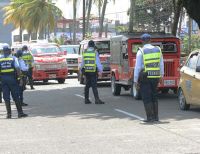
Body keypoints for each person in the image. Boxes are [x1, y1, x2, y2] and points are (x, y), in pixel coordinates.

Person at [134, 33, 164, 122]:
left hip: (145, 76)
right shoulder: (158, 50)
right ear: (151, 40)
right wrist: (161, 76)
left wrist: (135, 80)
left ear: (142, 41)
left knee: (147, 97)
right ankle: (156, 117)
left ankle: (150, 117)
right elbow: (161, 64)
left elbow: (138, 67)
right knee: (154, 95)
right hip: (155, 75)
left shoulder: (141, 51)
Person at [0, 46, 28, 118]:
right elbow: (18, 68)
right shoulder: (13, 58)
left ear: (3, 51)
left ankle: (9, 114)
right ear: (9, 51)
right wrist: (21, 79)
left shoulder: (0, 59)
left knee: (6, 97)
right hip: (12, 79)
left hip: (3, 80)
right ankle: (20, 113)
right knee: (16, 96)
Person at [81, 40, 105, 104]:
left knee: (87, 85)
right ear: (93, 45)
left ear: (88, 45)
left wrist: (81, 70)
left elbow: (82, 62)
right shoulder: (95, 52)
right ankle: (97, 100)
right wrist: (101, 70)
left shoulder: (85, 52)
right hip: (93, 71)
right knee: (94, 85)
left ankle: (86, 99)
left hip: (86, 71)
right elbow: (97, 62)